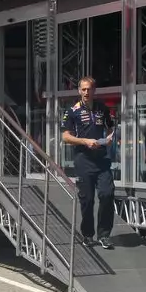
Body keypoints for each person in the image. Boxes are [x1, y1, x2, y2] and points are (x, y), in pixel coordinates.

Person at [61, 75, 116, 249]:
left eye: (89, 89)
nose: (86, 92)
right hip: (83, 160)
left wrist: (109, 138)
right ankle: (87, 234)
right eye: (83, 89)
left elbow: (111, 127)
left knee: (107, 194)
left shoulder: (102, 108)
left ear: (94, 90)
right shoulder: (72, 110)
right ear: (79, 91)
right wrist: (84, 141)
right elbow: (65, 136)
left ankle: (104, 235)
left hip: (101, 159)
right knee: (88, 200)